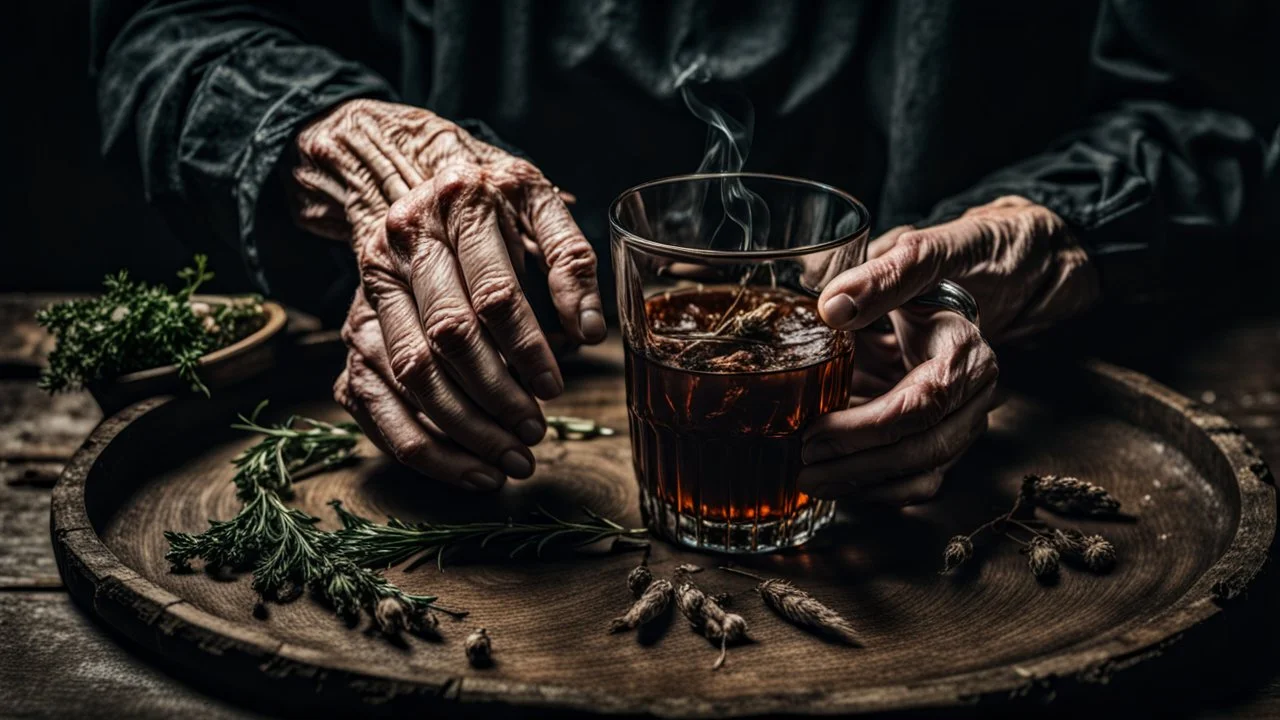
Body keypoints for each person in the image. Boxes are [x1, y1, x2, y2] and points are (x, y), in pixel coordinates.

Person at [92, 1, 1276, 502]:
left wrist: (1022, 243)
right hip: (493, 443)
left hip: (951, 435)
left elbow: (1207, 109)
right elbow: (166, 28)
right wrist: (373, 156)